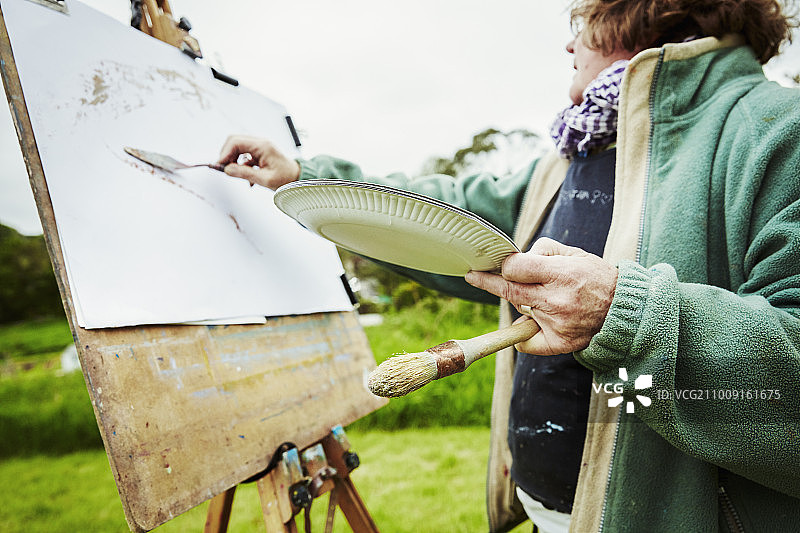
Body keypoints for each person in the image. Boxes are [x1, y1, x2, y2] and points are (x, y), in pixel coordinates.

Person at [218, 0, 800, 531]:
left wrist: (623, 315)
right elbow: (446, 219)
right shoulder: (572, 156)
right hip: (548, 513)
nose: (569, 45)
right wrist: (305, 177)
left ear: (645, 14)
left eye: (583, 25)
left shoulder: (779, 128)